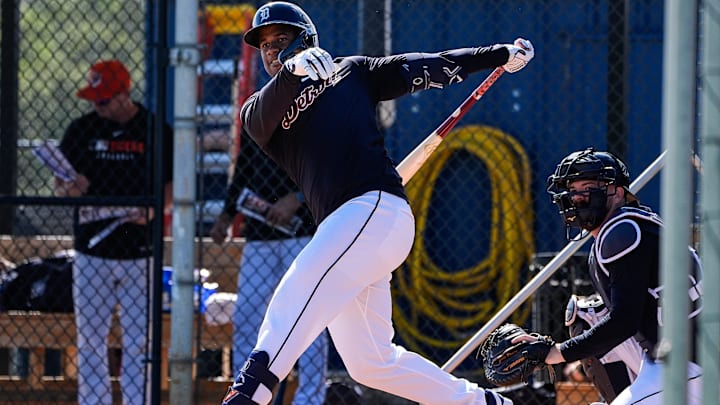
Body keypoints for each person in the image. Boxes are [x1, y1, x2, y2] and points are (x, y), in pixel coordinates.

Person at [220, 2, 534, 404]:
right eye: (264, 45)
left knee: (296, 287)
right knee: (370, 362)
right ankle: (484, 403)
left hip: (373, 210)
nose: (272, 51)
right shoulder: (258, 111)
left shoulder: (351, 72)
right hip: (351, 232)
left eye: (281, 39)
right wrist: (292, 70)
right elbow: (262, 115)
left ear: (307, 39)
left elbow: (423, 66)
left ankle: (248, 395)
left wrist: (499, 55)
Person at [521, 147, 704, 404]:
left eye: (587, 188)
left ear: (618, 193)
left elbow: (624, 322)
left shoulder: (622, 231)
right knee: (586, 314)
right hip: (663, 351)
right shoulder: (625, 225)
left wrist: (556, 353)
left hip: (694, 362)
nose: (578, 198)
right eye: (572, 191)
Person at [54, 59, 173, 405]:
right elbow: (61, 185)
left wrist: (155, 209)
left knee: (139, 340)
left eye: (104, 99)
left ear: (124, 94)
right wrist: (69, 188)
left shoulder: (154, 130)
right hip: (92, 250)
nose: (97, 105)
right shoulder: (81, 130)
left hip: (140, 250)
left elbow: (171, 185)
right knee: (91, 339)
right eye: (94, 98)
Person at [210, 127, 329, 405]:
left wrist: (297, 198)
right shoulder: (260, 108)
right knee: (247, 314)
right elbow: (244, 169)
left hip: (302, 233)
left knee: (307, 316)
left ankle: (309, 399)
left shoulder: (312, 103)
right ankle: (244, 395)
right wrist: (226, 215)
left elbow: (329, 167)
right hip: (260, 234)